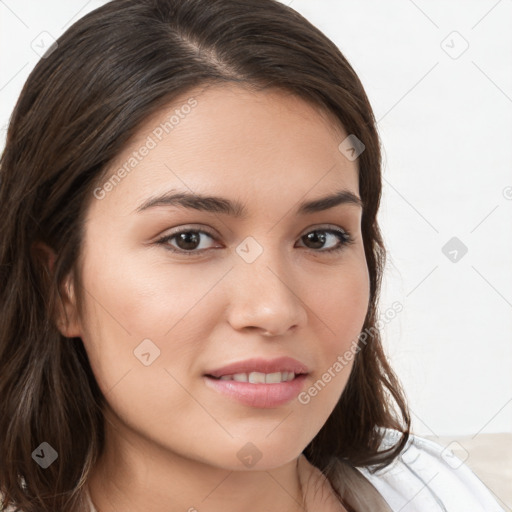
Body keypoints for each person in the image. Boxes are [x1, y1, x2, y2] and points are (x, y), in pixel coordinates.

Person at [0, 1, 506, 511]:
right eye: (190, 239)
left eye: (319, 238)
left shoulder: (456, 494)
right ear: (59, 285)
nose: (273, 309)